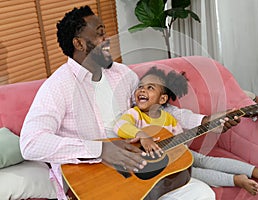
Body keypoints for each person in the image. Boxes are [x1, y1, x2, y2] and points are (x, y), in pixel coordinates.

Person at [19, 5, 242, 200]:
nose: (106, 40)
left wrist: (203, 121)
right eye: (99, 35)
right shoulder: (58, 86)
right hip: (93, 182)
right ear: (78, 43)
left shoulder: (122, 75)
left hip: (138, 170)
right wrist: (99, 149)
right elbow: (31, 143)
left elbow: (157, 111)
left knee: (201, 194)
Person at [114, 66, 258, 196]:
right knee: (193, 172)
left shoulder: (168, 117)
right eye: (141, 87)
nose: (142, 90)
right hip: (162, 165)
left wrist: (181, 145)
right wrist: (142, 135)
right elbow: (120, 126)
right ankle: (236, 180)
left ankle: (257, 171)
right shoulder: (134, 114)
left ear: (162, 99)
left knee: (207, 160)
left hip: (178, 152)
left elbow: (181, 136)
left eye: (150, 88)